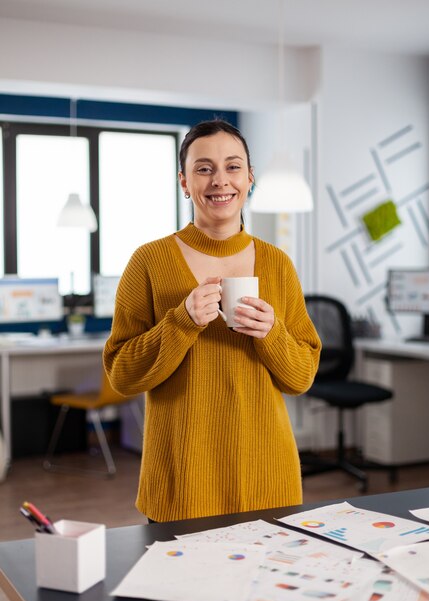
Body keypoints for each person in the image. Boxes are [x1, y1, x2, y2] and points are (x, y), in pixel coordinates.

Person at [103, 119, 321, 523]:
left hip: (268, 478)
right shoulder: (148, 262)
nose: (220, 180)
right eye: (204, 169)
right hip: (183, 480)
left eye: (233, 166)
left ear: (250, 178)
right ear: (184, 182)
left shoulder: (278, 264)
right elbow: (122, 374)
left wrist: (271, 334)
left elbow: (301, 377)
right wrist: (182, 321)